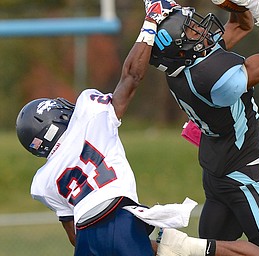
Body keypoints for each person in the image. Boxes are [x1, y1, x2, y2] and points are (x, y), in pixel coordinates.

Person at [15, 1, 179, 255]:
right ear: (55, 117)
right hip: (119, 218)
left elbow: (73, 236)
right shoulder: (90, 112)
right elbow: (131, 77)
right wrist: (151, 22)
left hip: (86, 237)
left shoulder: (43, 181)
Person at [146, 0, 259, 255]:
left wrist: (234, 3)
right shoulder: (215, 80)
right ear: (182, 50)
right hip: (242, 173)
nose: (200, 30)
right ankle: (187, 247)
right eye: (191, 30)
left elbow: (240, 25)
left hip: (216, 172)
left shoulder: (182, 68)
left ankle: (194, 248)